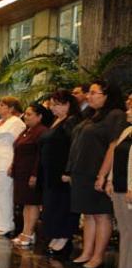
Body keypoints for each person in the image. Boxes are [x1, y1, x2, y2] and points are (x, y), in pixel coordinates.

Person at [68, 80, 129, 268]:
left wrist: (102, 174)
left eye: (94, 93)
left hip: (97, 171)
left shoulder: (115, 115)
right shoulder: (92, 115)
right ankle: (87, 252)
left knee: (102, 215)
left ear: (107, 95)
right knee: (89, 215)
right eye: (89, 93)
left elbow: (113, 146)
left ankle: (98, 256)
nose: (89, 96)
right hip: (83, 171)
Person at [39, 90, 81, 255]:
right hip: (50, 171)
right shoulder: (56, 121)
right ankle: (55, 234)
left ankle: (64, 236)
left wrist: (68, 171)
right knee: (51, 204)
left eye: (57, 104)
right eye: (52, 104)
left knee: (62, 204)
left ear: (68, 105)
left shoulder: (72, 122)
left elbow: (74, 147)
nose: (53, 108)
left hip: (62, 171)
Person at [10, 103, 51, 247]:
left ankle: (29, 232)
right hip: (21, 172)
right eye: (25, 114)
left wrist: (35, 174)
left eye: (29, 114)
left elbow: (39, 156)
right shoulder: (27, 131)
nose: (25, 117)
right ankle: (25, 231)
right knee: (25, 204)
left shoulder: (41, 131)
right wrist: (13, 165)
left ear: (39, 116)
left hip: (31, 173)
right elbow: (18, 149)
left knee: (32, 203)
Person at [104, 92, 132, 268]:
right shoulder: (126, 131)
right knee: (124, 230)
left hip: (130, 189)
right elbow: (116, 157)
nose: (128, 110)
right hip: (119, 187)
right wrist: (110, 180)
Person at [0, 96, 26, 237]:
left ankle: (6, 224)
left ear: (11, 108)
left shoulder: (16, 123)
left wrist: (13, 163)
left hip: (6, 160)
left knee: (5, 194)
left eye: (2, 105)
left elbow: (17, 145)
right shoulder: (0, 122)